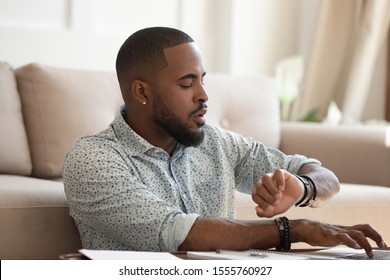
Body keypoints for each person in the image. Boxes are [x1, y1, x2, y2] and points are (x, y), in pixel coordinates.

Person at [63, 26, 386, 257]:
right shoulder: (93, 159)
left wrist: (302, 188)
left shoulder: (217, 143)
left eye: (202, 80)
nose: (204, 95)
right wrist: (296, 229)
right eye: (186, 84)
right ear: (142, 92)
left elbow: (324, 176)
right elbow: (180, 235)